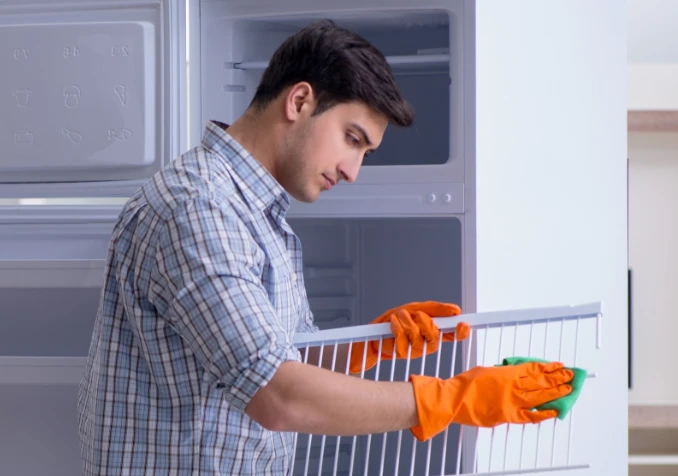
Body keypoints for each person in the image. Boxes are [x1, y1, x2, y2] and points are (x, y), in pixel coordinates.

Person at [77, 19, 574, 475]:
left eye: (365, 152)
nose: (352, 171)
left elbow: (275, 362)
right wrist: (450, 399)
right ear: (299, 102)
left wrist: (369, 345)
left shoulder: (255, 214)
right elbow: (278, 397)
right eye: (351, 138)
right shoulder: (197, 208)